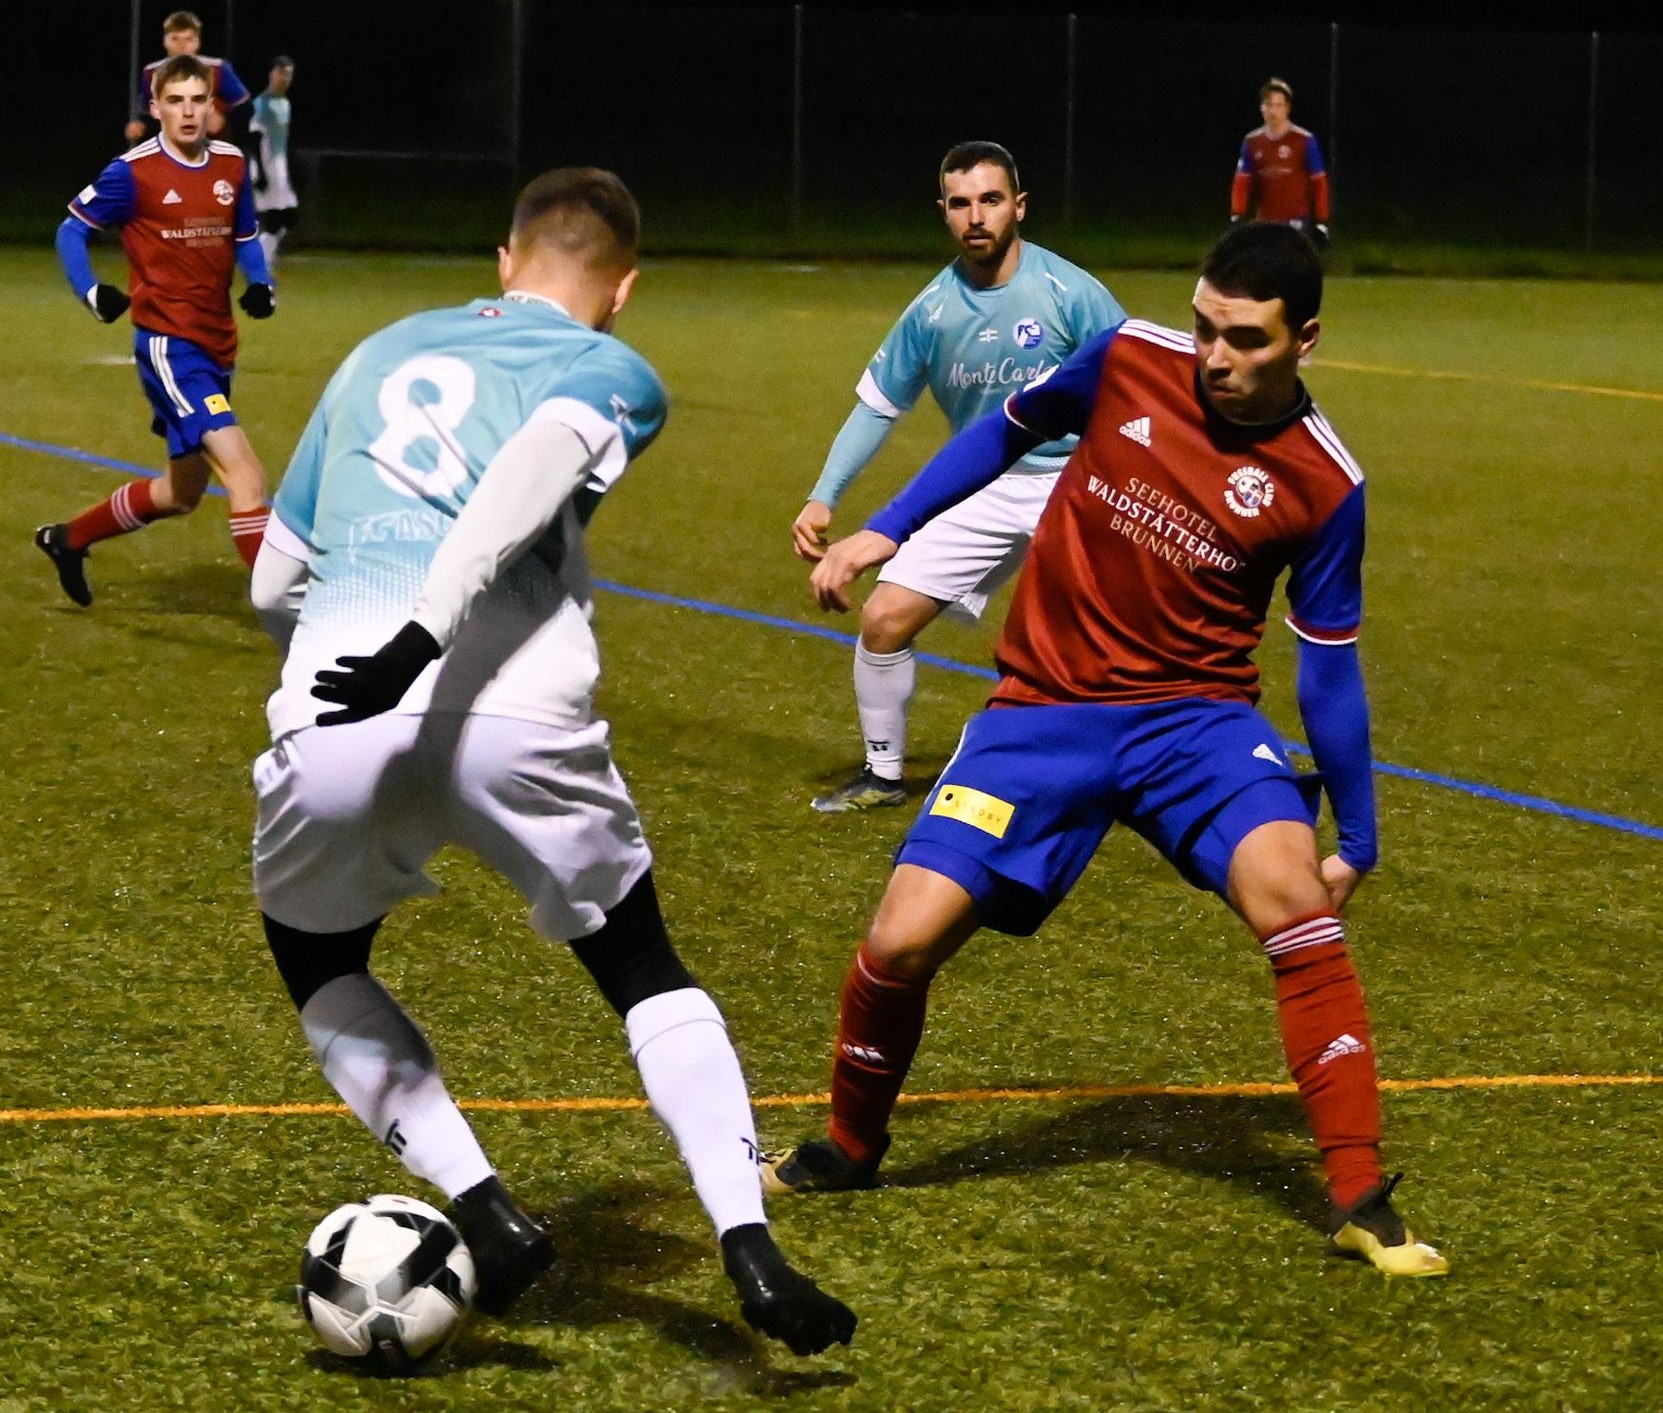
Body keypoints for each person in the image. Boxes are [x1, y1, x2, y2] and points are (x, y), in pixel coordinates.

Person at [245, 168, 858, 1354]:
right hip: (516, 713)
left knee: (315, 957)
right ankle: (748, 1244)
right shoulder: (609, 366)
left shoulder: (374, 353)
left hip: (338, 705)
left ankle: (482, 1205)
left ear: (502, 259)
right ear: (620, 291)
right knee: (639, 966)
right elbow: (534, 460)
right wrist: (431, 628)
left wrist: (347, 669)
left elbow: (275, 580)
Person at [765, 223, 1449, 1280]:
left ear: (1303, 339)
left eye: (1245, 339)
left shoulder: (1323, 482)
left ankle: (1360, 1196)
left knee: (1295, 907)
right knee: (898, 943)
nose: (1213, 356)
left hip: (1196, 724)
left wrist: (1354, 837)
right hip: (1042, 711)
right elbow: (1002, 432)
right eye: (1204, 327)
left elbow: (1324, 671)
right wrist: (888, 528)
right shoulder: (1128, 356)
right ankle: (848, 1146)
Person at [792, 141, 1124, 812]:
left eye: (990, 200)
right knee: (884, 619)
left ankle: (1129, 772)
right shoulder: (932, 311)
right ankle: (883, 776)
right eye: (961, 203)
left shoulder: (1072, 294)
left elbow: (1136, 389)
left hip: (1076, 481)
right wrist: (823, 495)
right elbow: (876, 406)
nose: (976, 216)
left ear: (1018, 207)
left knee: (1100, 643)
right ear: (943, 212)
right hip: (981, 485)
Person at [37, 53, 276, 607]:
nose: (188, 112)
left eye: (197, 100)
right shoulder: (133, 171)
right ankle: (289, 613)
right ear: (156, 107)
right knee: (246, 475)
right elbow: (71, 229)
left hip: (218, 341)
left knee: (181, 493)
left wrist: (261, 282)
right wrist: (92, 291)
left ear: (212, 106)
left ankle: (68, 540)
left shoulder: (231, 164)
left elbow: (244, 235)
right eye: (175, 101)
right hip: (170, 347)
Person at [123, 10, 251, 146]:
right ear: (165, 41)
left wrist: (223, 121)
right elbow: (146, 112)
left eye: (188, 39)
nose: (182, 46)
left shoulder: (218, 69)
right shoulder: (151, 72)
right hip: (168, 147)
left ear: (198, 42)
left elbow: (245, 108)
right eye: (175, 39)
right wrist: (138, 126)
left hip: (211, 145)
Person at [1230, 78, 1330, 249]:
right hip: (1264, 222)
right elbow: (1242, 181)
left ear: (1287, 108)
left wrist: (1321, 221)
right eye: (1268, 105)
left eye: (1278, 105)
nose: (1273, 111)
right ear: (1261, 107)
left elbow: (1319, 182)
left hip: (1296, 223)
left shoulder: (1304, 140)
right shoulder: (1252, 142)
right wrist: (1237, 214)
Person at [248, 56, 299, 269]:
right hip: (266, 166)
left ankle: (263, 254)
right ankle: (260, 259)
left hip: (279, 167)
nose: (284, 78)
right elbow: (254, 139)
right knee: (277, 217)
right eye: (280, 72)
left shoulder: (285, 103)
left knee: (288, 216)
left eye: (288, 74)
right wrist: (260, 172)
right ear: (271, 74)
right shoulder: (261, 104)